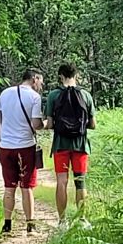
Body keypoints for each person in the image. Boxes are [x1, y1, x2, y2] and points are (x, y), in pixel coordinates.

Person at [0, 67, 44, 234]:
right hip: (25, 146)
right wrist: (47, 124)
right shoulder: (35, 97)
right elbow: (36, 124)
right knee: (26, 186)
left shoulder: (5, 93)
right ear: (34, 79)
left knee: (9, 187)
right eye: (40, 82)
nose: (41, 86)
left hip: (6, 147)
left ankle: (7, 224)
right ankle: (30, 224)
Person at [44, 63, 96, 228]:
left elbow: (50, 123)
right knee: (80, 181)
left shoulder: (53, 95)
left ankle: (62, 221)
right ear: (77, 75)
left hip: (60, 144)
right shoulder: (86, 95)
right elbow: (93, 124)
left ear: (61, 76)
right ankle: (82, 220)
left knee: (62, 181)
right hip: (80, 145)